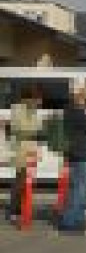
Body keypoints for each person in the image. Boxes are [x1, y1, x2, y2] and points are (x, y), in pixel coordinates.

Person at [59, 81, 86, 232]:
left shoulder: (74, 110)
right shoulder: (75, 111)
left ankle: (78, 218)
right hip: (81, 153)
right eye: (84, 94)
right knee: (81, 188)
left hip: (79, 153)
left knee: (79, 188)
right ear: (78, 95)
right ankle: (70, 221)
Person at [6, 86, 43, 223]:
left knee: (27, 182)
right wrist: (34, 133)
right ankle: (13, 211)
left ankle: (23, 209)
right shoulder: (17, 110)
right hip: (21, 151)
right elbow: (17, 130)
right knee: (20, 181)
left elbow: (38, 129)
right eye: (37, 100)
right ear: (28, 99)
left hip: (31, 151)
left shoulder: (34, 112)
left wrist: (37, 136)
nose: (39, 103)